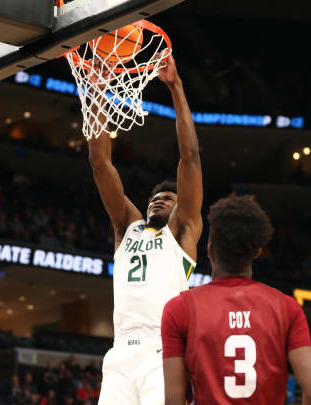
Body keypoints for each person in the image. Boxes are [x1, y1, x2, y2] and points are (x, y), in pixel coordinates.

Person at [88, 55, 202, 405]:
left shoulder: (181, 232)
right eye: (156, 197)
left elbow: (190, 158)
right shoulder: (127, 228)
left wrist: (176, 87)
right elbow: (100, 162)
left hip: (161, 351)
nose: (159, 201)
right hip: (120, 353)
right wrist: (98, 92)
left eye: (168, 199)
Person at [161, 194, 311, 405]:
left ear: (210, 250)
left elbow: (173, 401)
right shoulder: (287, 307)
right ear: (257, 252)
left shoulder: (179, 308)